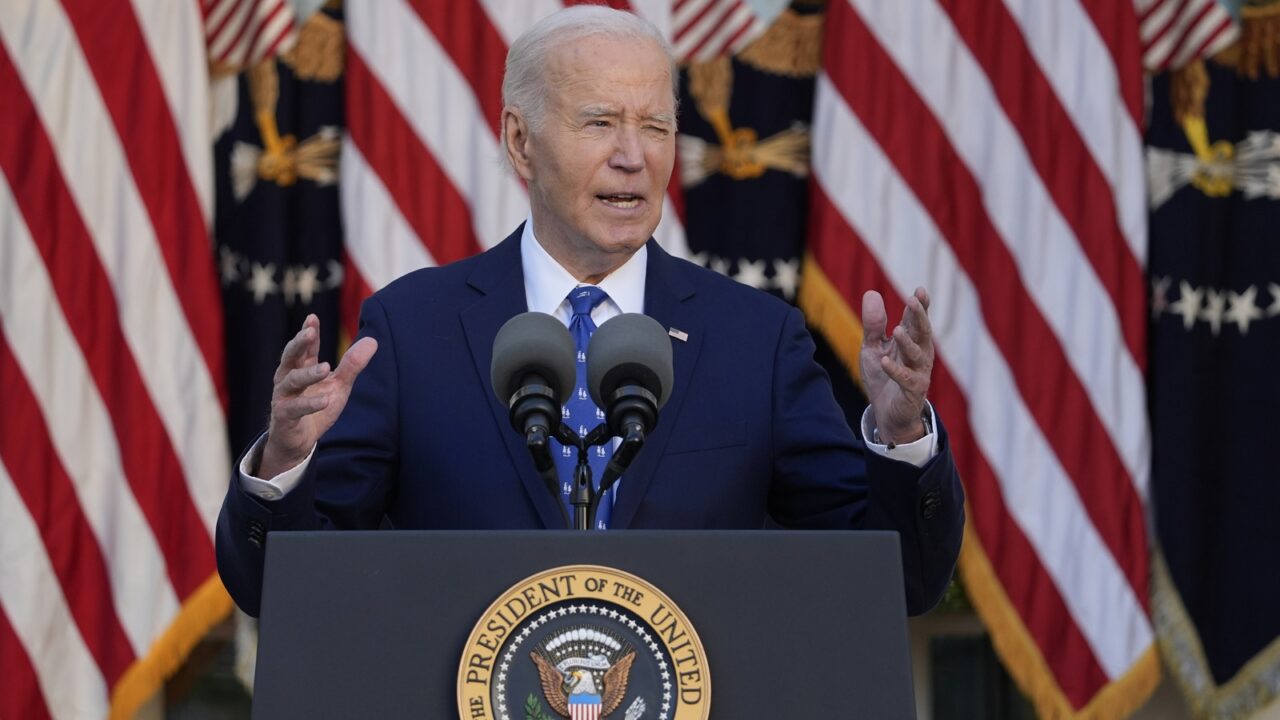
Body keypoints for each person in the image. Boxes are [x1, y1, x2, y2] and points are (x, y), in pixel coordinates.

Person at [216, 5, 963, 617]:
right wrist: (284, 462)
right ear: (520, 140)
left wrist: (901, 442)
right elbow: (278, 588)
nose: (634, 156)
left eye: (657, 127)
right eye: (601, 122)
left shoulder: (753, 341)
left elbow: (896, 582)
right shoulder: (416, 331)